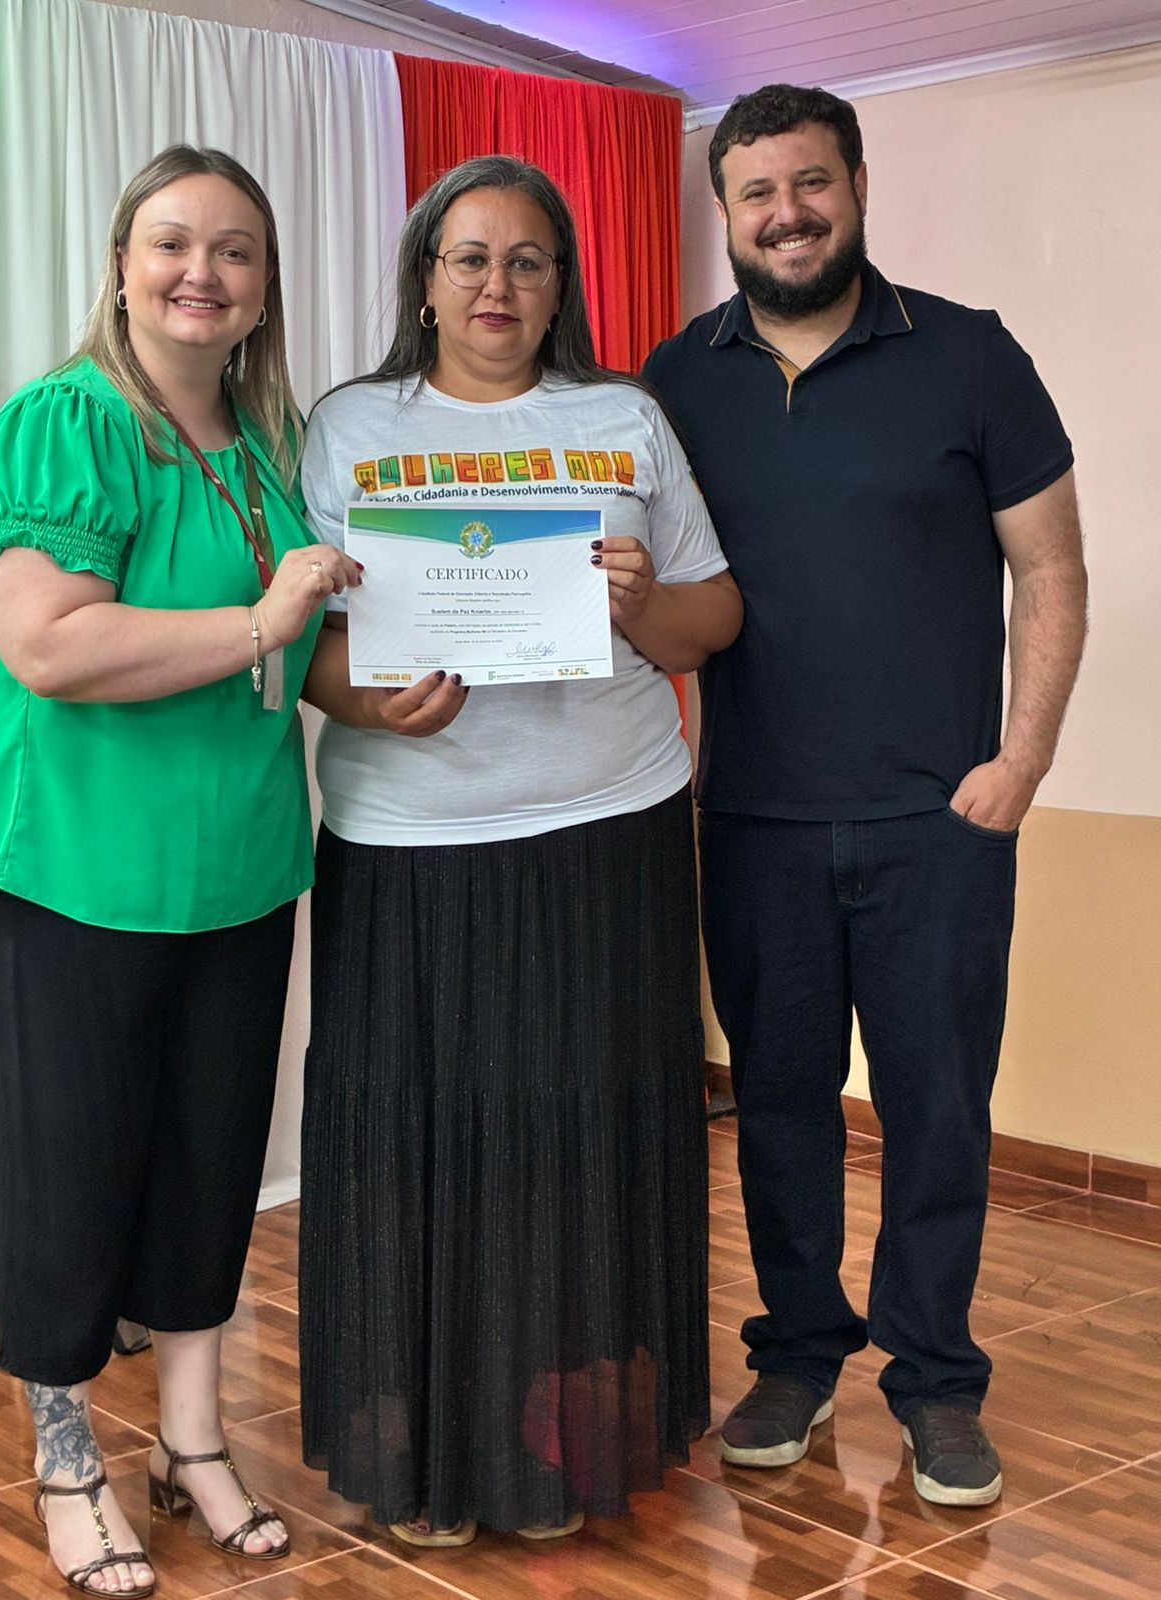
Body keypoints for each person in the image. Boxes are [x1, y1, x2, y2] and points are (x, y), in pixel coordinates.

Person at [643, 85, 1087, 1508]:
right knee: (778, 1110)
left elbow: (1052, 570)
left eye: (811, 183)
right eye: (757, 192)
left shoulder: (971, 356)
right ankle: (795, 1357)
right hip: (751, 822)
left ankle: (939, 1382)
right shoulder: (670, 383)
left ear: (857, 186)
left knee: (939, 1112)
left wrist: (1022, 761)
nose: (788, 214)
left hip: (938, 826)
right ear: (725, 213)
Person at [298, 154, 741, 1544]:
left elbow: (712, 622)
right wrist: (368, 702)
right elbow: (309, 641)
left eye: (529, 261)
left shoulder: (626, 419)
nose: (499, 284)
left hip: (604, 835)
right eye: (471, 258)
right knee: (419, 1148)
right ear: (425, 281)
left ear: (561, 289)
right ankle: (431, 1452)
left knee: (577, 1142)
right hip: (407, 842)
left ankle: (562, 1447)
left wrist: (641, 605)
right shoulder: (349, 425)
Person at [0, 145, 358, 1595]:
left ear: (264, 283)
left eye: (236, 249)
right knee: (71, 1174)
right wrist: (265, 622)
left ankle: (192, 1442)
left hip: (239, 868)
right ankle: (67, 1461)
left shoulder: (267, 446)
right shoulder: (64, 424)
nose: (204, 271)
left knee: (209, 1162)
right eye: (173, 243)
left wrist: (414, 688)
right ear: (122, 266)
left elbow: (304, 652)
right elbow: (47, 645)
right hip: (76, 870)